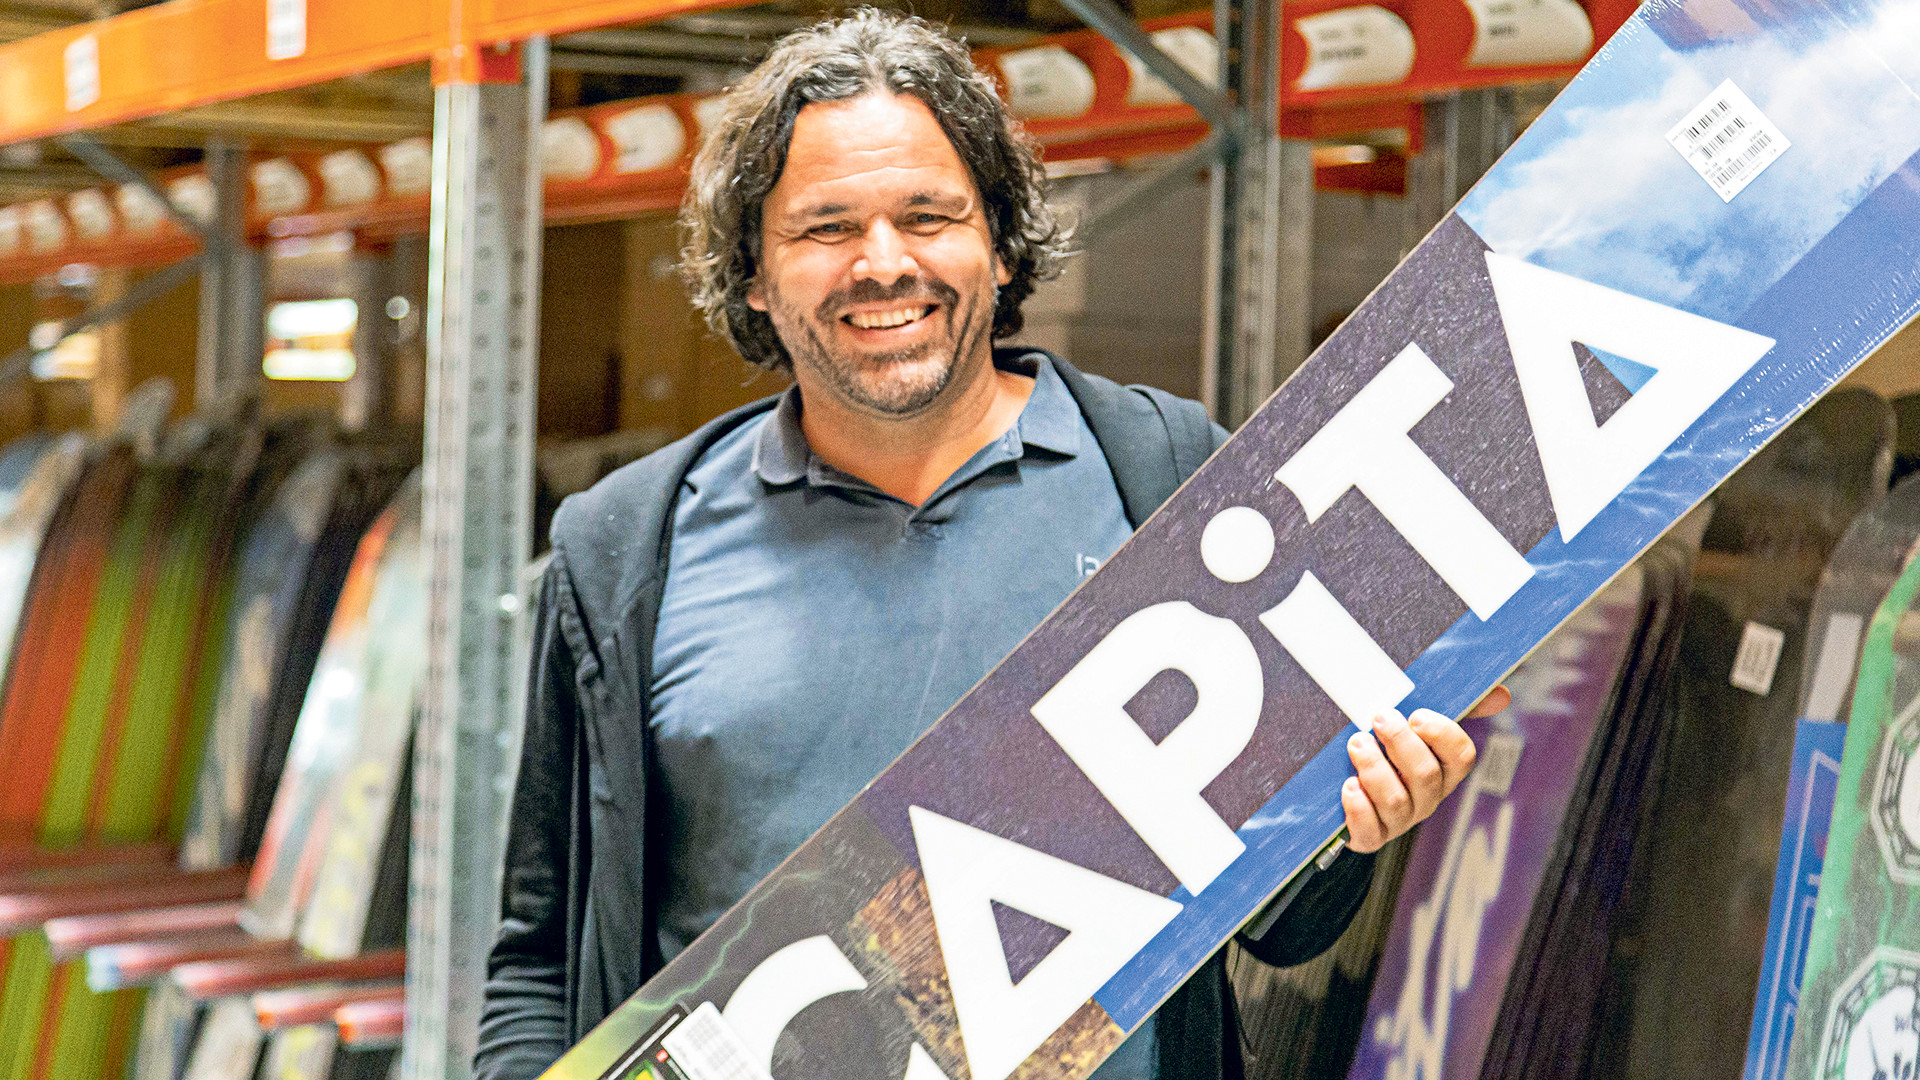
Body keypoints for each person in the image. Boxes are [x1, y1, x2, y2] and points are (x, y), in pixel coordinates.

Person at [477, 11, 1504, 1080]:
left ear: (1002, 244)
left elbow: (1282, 926)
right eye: (825, 228)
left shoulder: (1166, 480)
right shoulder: (627, 550)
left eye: (929, 215)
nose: (884, 264)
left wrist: (1354, 825)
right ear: (754, 274)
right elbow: (539, 957)